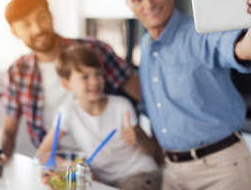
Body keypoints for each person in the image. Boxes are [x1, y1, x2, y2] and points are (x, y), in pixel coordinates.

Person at [120, 0, 251, 190]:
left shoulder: (201, 32)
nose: (148, 3)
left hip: (221, 170)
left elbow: (246, 50)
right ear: (130, 6)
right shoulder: (146, 46)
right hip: (173, 172)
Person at [0, 0, 142, 178]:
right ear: (15, 32)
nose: (37, 29)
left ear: (51, 16)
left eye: (42, 18)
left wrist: (157, 143)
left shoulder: (93, 50)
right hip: (59, 166)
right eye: (26, 24)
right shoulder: (18, 72)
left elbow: (143, 95)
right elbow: (7, 132)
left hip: (110, 162)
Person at [37, 45, 161, 190]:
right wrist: (69, 165)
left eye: (98, 74)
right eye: (85, 77)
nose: (94, 82)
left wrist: (138, 136)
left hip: (140, 174)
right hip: (105, 183)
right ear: (66, 84)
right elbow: (43, 154)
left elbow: (151, 151)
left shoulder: (122, 105)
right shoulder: (67, 112)